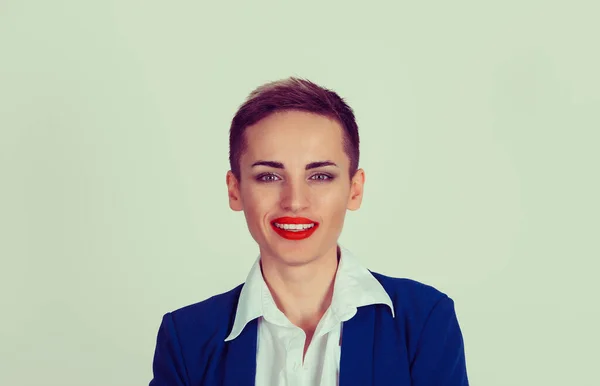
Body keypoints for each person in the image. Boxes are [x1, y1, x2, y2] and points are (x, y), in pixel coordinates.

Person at [149, 77, 469, 386]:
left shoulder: (424, 321)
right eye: (269, 177)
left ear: (354, 190)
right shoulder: (186, 338)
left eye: (320, 176)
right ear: (235, 191)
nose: (295, 202)